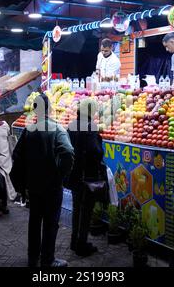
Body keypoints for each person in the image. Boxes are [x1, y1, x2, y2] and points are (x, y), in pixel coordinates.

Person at [11, 94, 74, 267]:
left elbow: (16, 155)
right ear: (49, 109)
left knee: (34, 220)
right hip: (52, 186)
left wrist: (24, 180)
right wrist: (61, 174)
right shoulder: (57, 129)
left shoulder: (28, 130)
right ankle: (48, 259)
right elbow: (68, 152)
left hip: (33, 184)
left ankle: (33, 257)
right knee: (50, 222)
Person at [67, 98, 105, 257]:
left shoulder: (71, 125)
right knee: (86, 210)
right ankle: (82, 244)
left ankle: (74, 241)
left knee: (76, 209)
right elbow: (95, 151)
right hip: (87, 175)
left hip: (74, 174)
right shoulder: (90, 127)